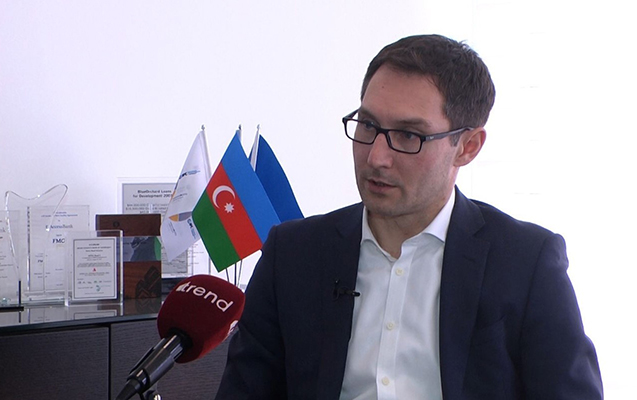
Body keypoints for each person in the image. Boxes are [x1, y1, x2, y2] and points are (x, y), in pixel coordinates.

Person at [214, 34, 603, 399]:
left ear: (467, 147)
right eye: (367, 125)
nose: (376, 157)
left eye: (408, 136)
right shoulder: (292, 254)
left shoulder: (526, 262)